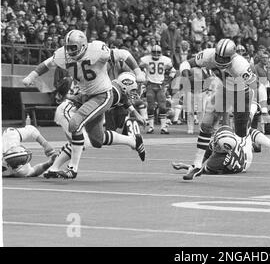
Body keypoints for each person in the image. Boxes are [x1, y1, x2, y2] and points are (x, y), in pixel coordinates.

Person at [22, 30, 146, 179]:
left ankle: (72, 169)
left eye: (73, 47)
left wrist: (138, 71)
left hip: (102, 95)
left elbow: (124, 54)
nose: (70, 51)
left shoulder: (97, 50)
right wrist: (32, 75)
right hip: (85, 95)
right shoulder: (64, 54)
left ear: (83, 45)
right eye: (68, 47)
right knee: (97, 140)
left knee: (75, 124)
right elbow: (47, 63)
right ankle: (133, 141)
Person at [178, 38, 260, 180]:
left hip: (242, 92)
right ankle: (197, 165)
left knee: (240, 134)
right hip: (224, 89)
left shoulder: (240, 65)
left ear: (232, 56)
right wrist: (186, 77)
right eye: (218, 57)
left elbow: (255, 85)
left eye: (224, 58)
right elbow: (186, 63)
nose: (220, 60)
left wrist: (248, 76)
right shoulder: (209, 54)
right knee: (206, 124)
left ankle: (253, 112)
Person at [47, 72, 146, 177]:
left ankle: (133, 141)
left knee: (96, 140)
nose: (134, 93)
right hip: (72, 109)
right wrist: (72, 97)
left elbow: (123, 99)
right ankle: (67, 169)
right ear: (125, 86)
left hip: (89, 110)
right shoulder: (112, 91)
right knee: (81, 140)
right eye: (133, 90)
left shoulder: (116, 90)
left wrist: (135, 113)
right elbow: (89, 97)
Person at [171, 125, 270, 177]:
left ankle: (260, 145)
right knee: (247, 130)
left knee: (245, 131)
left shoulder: (213, 161)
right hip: (244, 158)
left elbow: (201, 169)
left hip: (242, 164)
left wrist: (187, 167)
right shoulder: (226, 148)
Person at [140, 45, 176, 134]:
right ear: (151, 52)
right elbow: (139, 68)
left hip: (160, 86)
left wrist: (167, 81)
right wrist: (144, 79)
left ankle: (163, 127)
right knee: (151, 106)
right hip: (150, 85)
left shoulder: (165, 60)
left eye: (158, 52)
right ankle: (151, 127)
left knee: (163, 106)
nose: (156, 54)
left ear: (161, 53)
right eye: (154, 52)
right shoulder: (145, 59)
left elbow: (173, 70)